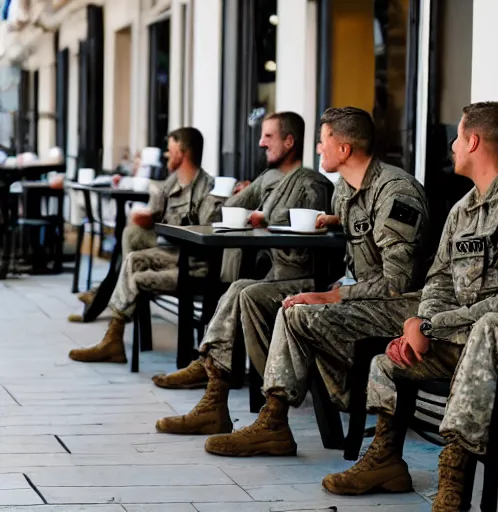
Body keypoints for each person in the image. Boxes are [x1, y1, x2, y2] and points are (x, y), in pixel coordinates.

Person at [199, 106, 430, 457]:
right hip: (363, 293)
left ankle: (275, 420)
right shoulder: (345, 191)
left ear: (344, 150)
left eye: (324, 142)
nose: (318, 149)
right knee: (260, 297)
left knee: (299, 312)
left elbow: (397, 283)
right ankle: (267, 405)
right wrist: (335, 221)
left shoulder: (398, 194)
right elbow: (363, 228)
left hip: (402, 302)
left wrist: (331, 296)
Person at [320, 101, 498, 511]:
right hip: (458, 336)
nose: (453, 145)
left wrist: (433, 325)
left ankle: (454, 477)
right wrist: (419, 323)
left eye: (458, 137)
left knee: (491, 325)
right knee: (388, 360)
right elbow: (439, 277)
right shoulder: (463, 209)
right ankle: (385, 460)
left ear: (474, 141)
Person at [153, 112, 334, 435]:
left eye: (269, 136)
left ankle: (212, 382)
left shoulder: (311, 184)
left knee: (240, 289)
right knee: (240, 287)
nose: (261, 142)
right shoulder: (268, 179)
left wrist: (264, 223)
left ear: (289, 142)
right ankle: (213, 383)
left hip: (303, 280)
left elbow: (311, 251)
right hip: (273, 276)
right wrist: (241, 192)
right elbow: (231, 208)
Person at [68, 127, 223, 363]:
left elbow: (205, 236)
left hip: (194, 261)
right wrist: (148, 219)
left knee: (134, 262)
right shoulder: (169, 183)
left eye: (170, 150)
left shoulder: (207, 188)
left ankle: (109, 317)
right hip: (174, 252)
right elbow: (154, 213)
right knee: (132, 244)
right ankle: (114, 333)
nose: (166, 155)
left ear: (183, 151)